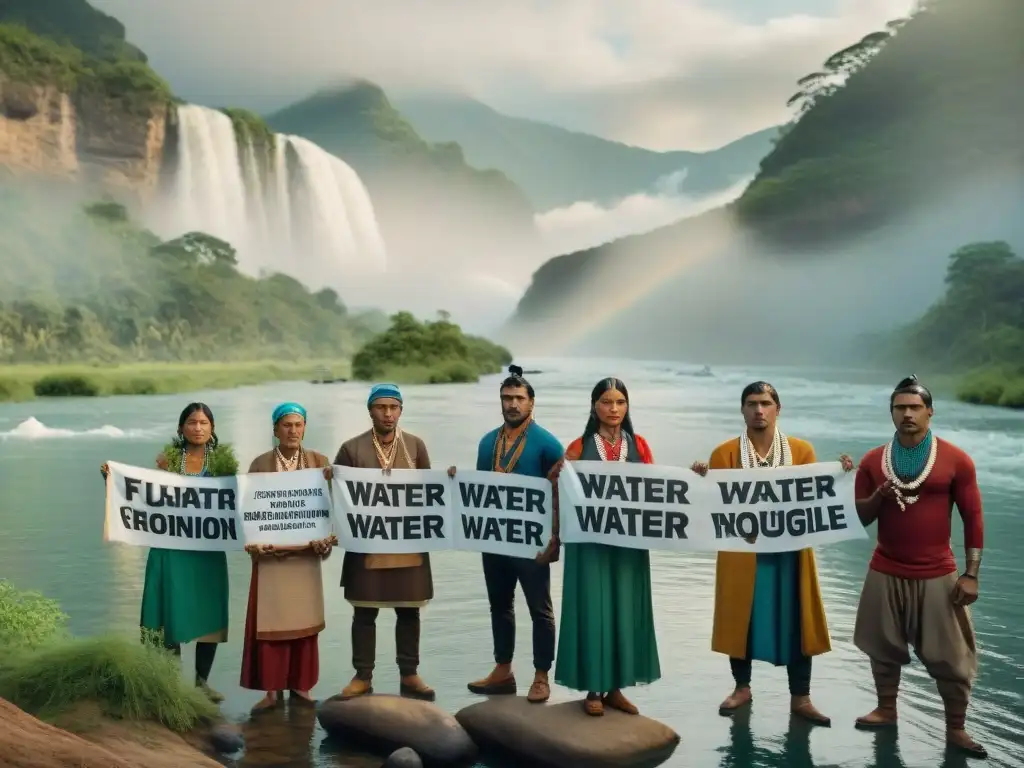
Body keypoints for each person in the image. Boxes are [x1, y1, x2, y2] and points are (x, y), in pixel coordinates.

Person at [691, 381, 853, 726]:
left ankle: (801, 697)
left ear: (778, 408)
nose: (759, 410)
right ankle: (742, 687)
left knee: (798, 617)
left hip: (789, 553)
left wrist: (842, 476)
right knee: (740, 616)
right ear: (742, 410)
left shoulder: (801, 451)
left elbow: (818, 500)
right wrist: (700, 479)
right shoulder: (725, 454)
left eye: (765, 403)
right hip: (743, 551)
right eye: (751, 403)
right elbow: (709, 506)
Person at [852, 376, 986, 758]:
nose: (907, 413)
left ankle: (956, 728)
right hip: (884, 567)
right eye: (900, 407)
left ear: (930, 411)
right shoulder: (873, 460)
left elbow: (973, 516)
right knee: (881, 647)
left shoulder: (956, 460)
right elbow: (856, 517)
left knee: (952, 656)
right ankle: (886, 709)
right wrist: (878, 496)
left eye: (914, 407)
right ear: (891, 413)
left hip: (937, 573)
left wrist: (971, 573)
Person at [102, 402, 238, 702]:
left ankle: (202, 683)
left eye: (204, 423)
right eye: (192, 422)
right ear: (181, 428)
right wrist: (113, 479)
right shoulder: (167, 460)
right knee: (170, 613)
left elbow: (236, 503)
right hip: (171, 548)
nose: (198, 428)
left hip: (207, 551)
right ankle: (173, 684)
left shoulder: (225, 463)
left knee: (209, 613)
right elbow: (147, 497)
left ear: (212, 428)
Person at [449, 364, 564, 703]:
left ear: (532, 403)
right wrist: (455, 481)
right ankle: (503, 670)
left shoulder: (547, 444)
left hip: (531, 543)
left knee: (539, 609)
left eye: (518, 398)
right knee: (500, 605)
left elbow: (560, 495)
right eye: (506, 398)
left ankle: (542, 675)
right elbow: (480, 493)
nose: (512, 404)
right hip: (493, 539)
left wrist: (556, 540)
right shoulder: (488, 442)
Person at [549, 377, 660, 716]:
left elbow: (657, 489)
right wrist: (556, 475)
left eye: (620, 402)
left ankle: (616, 688)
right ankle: (593, 689)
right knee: (593, 608)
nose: (613, 409)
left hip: (628, 544)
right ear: (594, 406)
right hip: (590, 544)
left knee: (625, 609)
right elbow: (559, 490)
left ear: (627, 406)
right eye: (606, 402)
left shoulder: (638, 444)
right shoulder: (578, 447)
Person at [332, 383, 435, 701]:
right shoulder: (352, 449)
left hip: (407, 543)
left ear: (401, 410)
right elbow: (338, 497)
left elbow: (431, 494)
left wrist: (450, 480)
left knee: (409, 612)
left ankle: (410, 674)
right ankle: (362, 675)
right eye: (381, 407)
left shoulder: (415, 446)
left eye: (393, 407)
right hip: (368, 545)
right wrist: (328, 479)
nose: (387, 414)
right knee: (364, 613)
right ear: (370, 411)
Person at [241, 402, 336, 712]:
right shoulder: (259, 464)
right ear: (275, 429)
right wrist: (253, 544)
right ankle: (271, 691)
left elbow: (332, 509)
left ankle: (301, 685)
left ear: (304, 427)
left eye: (298, 425)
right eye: (286, 425)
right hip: (270, 559)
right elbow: (249, 513)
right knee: (270, 624)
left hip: (306, 557)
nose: (293, 430)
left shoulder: (320, 462)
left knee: (304, 624)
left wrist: (328, 539)